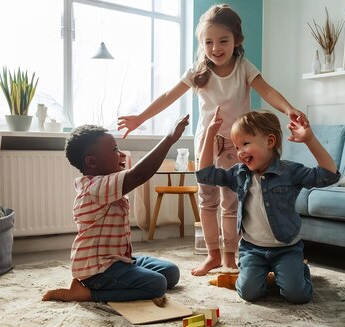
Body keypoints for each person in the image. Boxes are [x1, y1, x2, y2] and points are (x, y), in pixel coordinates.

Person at [117, 4, 309, 276]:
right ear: (201, 44)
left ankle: (230, 256)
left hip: (236, 145)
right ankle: (213, 256)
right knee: (206, 201)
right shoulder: (198, 71)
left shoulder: (243, 68)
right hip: (207, 143)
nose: (216, 48)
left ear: (237, 41)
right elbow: (168, 96)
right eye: (208, 42)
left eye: (223, 41)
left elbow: (267, 91)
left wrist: (288, 108)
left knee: (230, 202)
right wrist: (140, 118)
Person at [196, 108, 340, 304]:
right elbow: (205, 174)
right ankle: (265, 275)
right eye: (237, 147)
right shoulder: (239, 174)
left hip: (287, 248)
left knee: (297, 296)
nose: (240, 153)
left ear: (270, 141)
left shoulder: (289, 172)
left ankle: (297, 270)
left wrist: (309, 139)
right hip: (252, 249)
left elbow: (329, 175)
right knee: (248, 293)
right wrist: (210, 134)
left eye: (245, 144)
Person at [42, 115, 189, 303]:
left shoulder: (105, 183)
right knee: (157, 285)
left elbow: (133, 174)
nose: (120, 154)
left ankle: (125, 275)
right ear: (92, 162)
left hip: (117, 260)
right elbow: (139, 175)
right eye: (114, 150)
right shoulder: (95, 188)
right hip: (97, 269)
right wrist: (169, 138)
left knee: (171, 272)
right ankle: (86, 294)